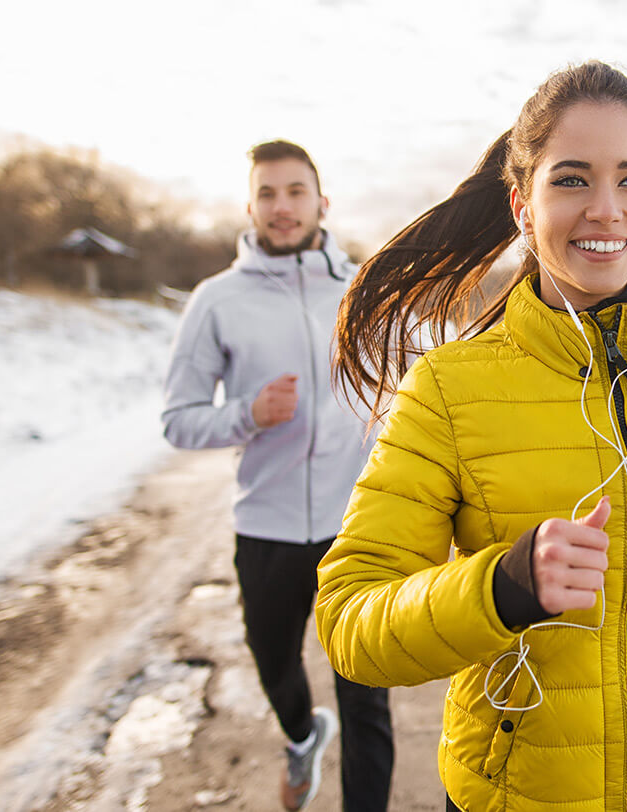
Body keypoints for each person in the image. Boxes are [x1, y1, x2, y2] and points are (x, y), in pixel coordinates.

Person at [315, 62, 627, 812]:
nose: (606, 210)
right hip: (522, 795)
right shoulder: (450, 390)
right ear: (522, 204)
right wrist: (502, 586)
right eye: (572, 179)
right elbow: (351, 622)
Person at [161, 139, 393, 812]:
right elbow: (178, 420)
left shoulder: (363, 290)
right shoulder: (217, 301)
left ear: (322, 202)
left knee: (366, 699)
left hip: (357, 526)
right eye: (268, 193)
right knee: (275, 668)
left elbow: (402, 389)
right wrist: (249, 414)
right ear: (250, 207)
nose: (282, 206)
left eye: (296, 191)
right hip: (265, 525)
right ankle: (300, 736)